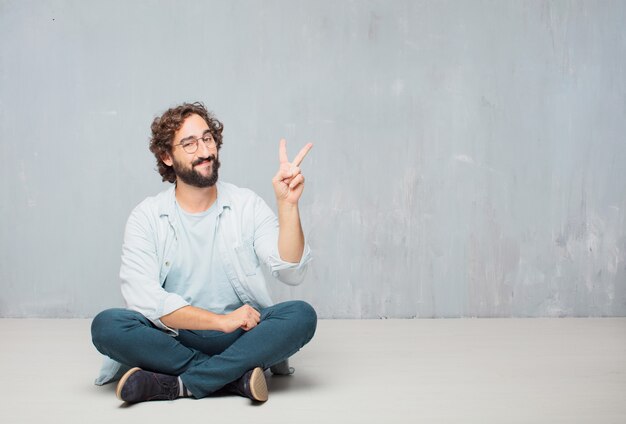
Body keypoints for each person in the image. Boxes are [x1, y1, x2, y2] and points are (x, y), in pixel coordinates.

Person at [91, 102, 316, 404]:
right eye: (190, 143)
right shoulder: (146, 216)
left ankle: (177, 384)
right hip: (173, 336)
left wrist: (288, 207)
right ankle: (235, 378)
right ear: (166, 156)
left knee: (301, 315)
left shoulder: (245, 205)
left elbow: (291, 271)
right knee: (107, 326)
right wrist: (217, 321)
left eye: (208, 138)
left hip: (243, 333)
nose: (205, 151)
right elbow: (144, 300)